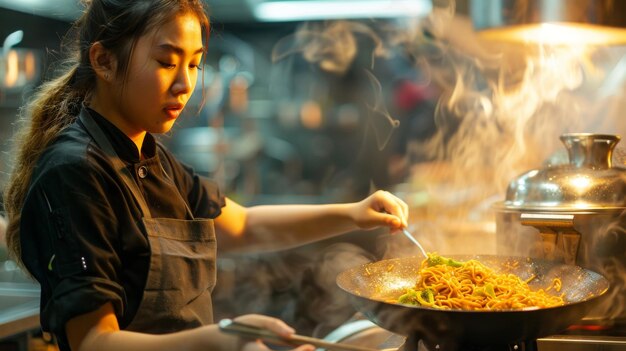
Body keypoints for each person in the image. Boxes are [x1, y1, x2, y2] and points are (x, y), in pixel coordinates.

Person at [2, 1, 409, 351]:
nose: (185, 84)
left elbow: (242, 225)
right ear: (104, 61)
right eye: (166, 62)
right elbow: (94, 342)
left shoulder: (150, 158)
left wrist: (354, 214)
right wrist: (221, 339)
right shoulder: (76, 172)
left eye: (194, 63)